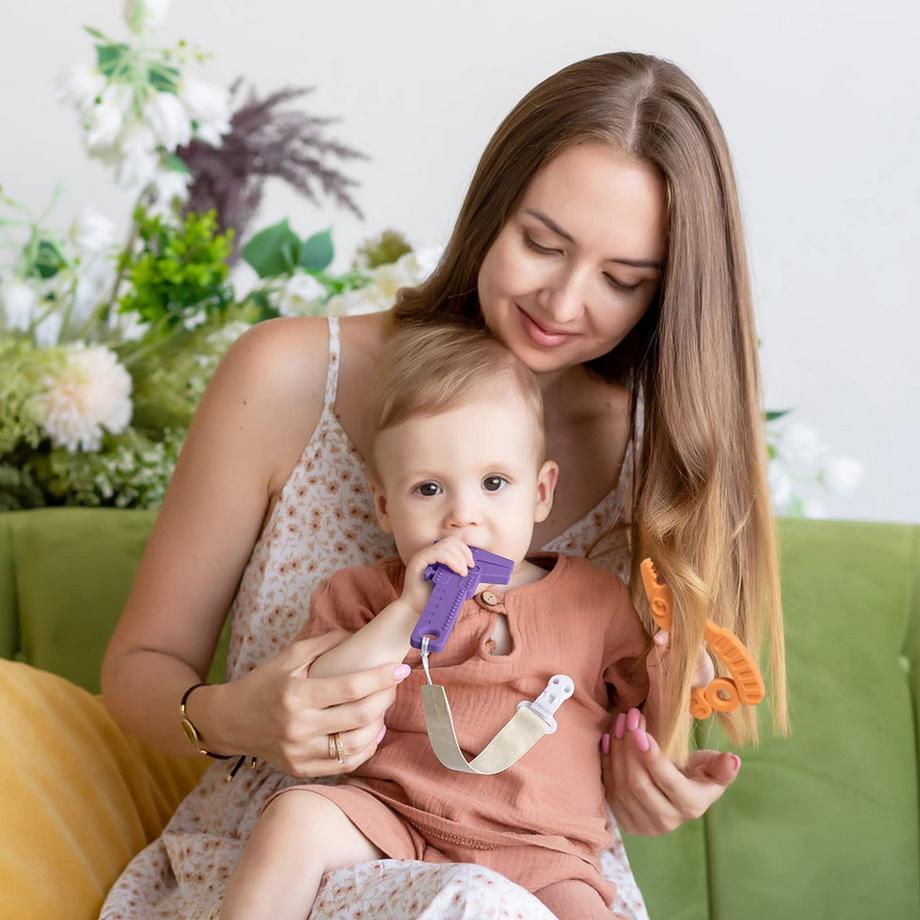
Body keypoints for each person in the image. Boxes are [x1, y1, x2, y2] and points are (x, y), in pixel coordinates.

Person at [99, 51, 786, 920]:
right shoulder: (286, 379)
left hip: (528, 883)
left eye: (622, 281)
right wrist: (239, 718)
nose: (566, 301)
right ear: (491, 210)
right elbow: (137, 670)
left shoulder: (658, 461)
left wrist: (650, 778)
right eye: (542, 242)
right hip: (288, 862)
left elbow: (637, 708)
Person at [220, 324, 692, 920]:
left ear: (541, 492)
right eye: (428, 489)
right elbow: (316, 691)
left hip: (544, 852)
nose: (463, 515)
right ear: (385, 505)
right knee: (295, 818)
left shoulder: (594, 600)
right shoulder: (368, 593)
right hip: (391, 816)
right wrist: (404, 614)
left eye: (494, 483)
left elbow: (643, 720)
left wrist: (677, 669)